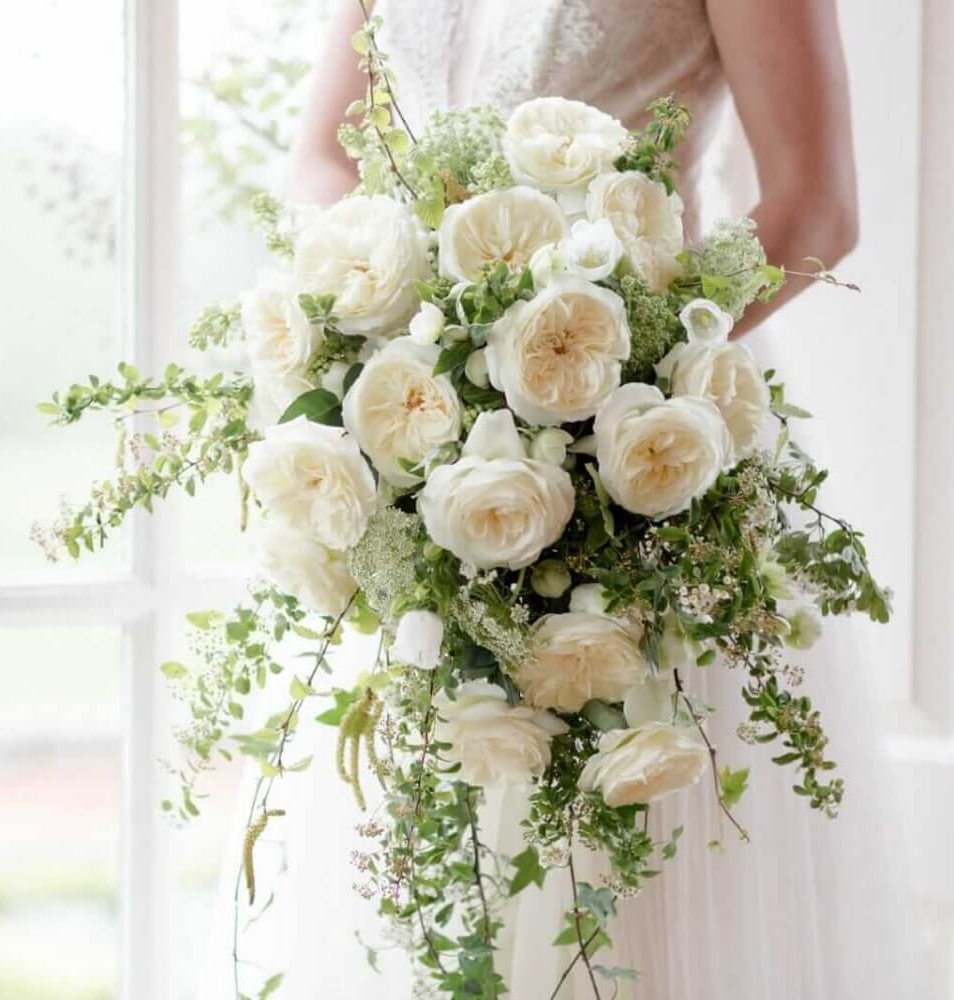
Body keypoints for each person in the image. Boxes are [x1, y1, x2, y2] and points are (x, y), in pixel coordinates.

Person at [207, 2, 937, 997]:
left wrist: (610, 357)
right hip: (415, 438)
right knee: (420, 849)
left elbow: (815, 206)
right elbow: (323, 159)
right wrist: (392, 339)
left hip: (643, 442)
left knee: (629, 861)